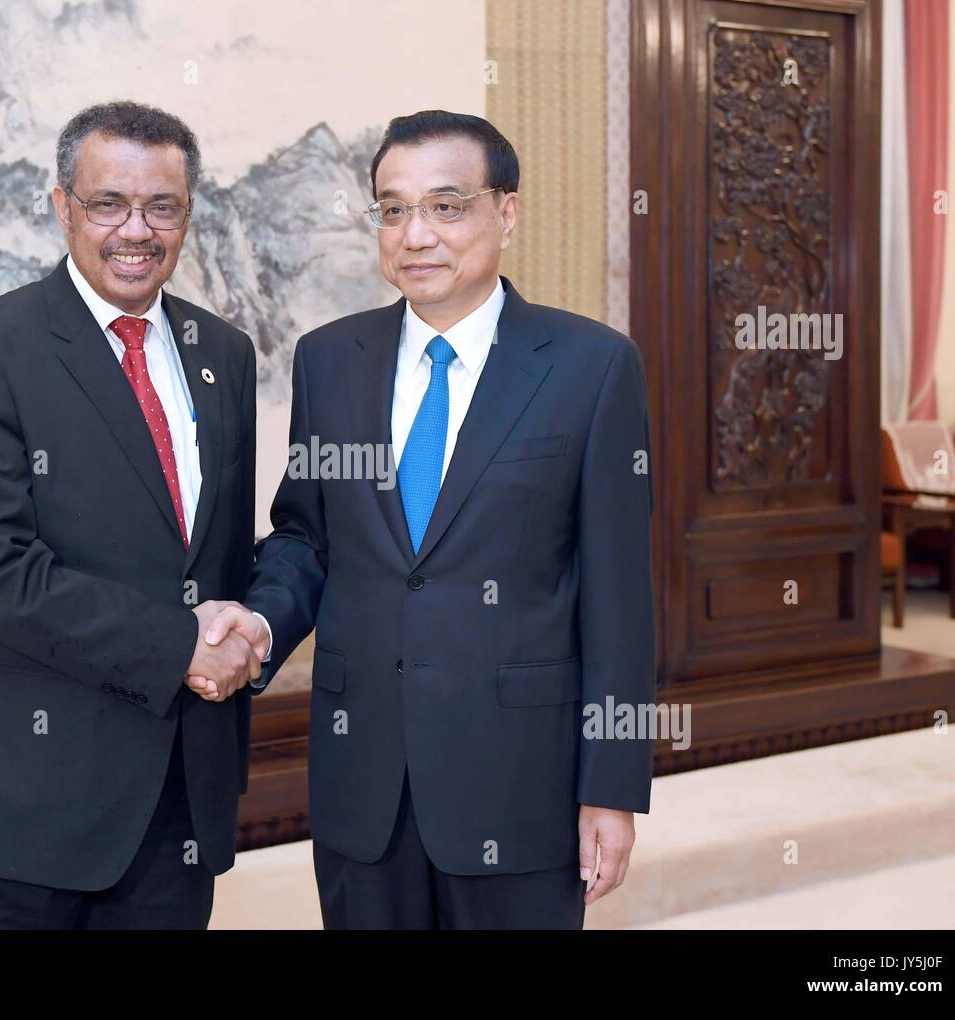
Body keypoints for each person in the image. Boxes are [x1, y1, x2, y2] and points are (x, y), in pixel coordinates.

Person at [205, 110, 656, 929]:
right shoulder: (330, 359)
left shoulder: (591, 367)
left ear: (506, 213)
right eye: (392, 208)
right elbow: (307, 537)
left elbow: (619, 595)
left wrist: (612, 788)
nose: (416, 234)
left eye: (446, 206)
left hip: (520, 779)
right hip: (361, 779)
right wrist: (260, 626)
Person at [0, 100, 264, 929]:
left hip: (176, 805)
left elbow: (219, 559)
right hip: (17, 811)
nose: (135, 230)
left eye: (162, 206)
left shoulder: (225, 355)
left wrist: (255, 627)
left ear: (188, 214)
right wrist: (184, 645)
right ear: (63, 205)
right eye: (108, 203)